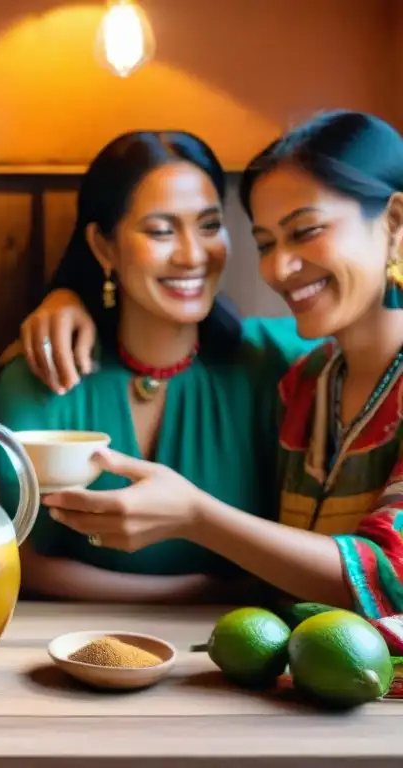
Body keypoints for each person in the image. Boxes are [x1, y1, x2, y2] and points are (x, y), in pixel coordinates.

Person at [38, 110, 403, 650]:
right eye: (264, 242)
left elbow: (391, 578)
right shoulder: (304, 381)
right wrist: (69, 296)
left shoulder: (285, 368)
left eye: (305, 231)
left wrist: (196, 516)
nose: (278, 268)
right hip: (291, 683)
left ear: (395, 222)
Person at [0, 130, 320, 604]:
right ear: (104, 247)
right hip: (70, 644)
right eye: (161, 231)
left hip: (251, 647)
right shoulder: (41, 378)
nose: (192, 255)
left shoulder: (280, 362)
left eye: (209, 226)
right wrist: (198, 593)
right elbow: (17, 554)